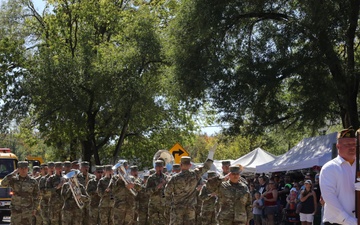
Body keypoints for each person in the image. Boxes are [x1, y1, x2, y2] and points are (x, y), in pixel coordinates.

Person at [164, 147, 215, 225]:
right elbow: (206, 166)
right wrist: (211, 153)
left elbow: (167, 192)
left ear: (180, 165)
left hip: (177, 209)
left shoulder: (174, 178)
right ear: (190, 165)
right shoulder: (195, 174)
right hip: (190, 209)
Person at [319, 127, 358, 225]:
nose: (352, 147)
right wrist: (348, 220)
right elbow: (329, 198)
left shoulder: (358, 166)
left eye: (354, 144)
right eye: (347, 144)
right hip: (336, 222)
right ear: (338, 146)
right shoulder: (330, 168)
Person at [145, 160, 168, 225]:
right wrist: (156, 187)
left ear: (163, 167)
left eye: (161, 167)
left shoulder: (166, 178)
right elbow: (146, 191)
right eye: (158, 167)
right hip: (153, 205)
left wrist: (165, 184)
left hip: (163, 205)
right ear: (155, 167)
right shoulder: (151, 178)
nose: (159, 168)